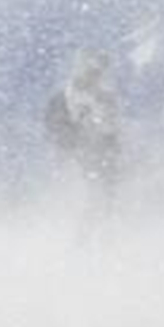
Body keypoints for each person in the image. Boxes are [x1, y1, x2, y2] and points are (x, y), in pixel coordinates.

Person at [44, 48, 124, 227]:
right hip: (80, 158)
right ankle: (82, 235)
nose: (95, 75)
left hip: (101, 157)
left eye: (99, 71)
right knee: (88, 199)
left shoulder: (106, 97)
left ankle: (101, 232)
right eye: (91, 69)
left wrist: (113, 147)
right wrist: (73, 143)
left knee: (104, 198)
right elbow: (56, 129)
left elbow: (113, 128)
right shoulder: (64, 97)